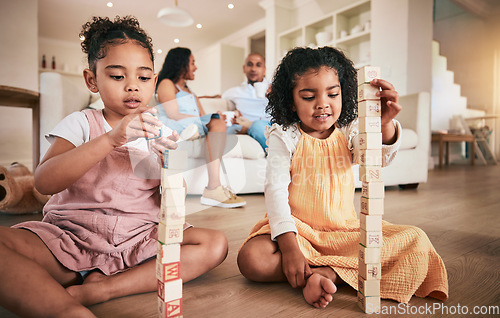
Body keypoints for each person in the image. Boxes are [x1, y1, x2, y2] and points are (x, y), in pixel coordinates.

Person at [0, 16, 228, 318]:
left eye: (144, 78)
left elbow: (175, 206)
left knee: (215, 244)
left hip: (138, 241)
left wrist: (168, 168)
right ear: (92, 80)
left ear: (154, 82)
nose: (133, 86)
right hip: (70, 239)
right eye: (118, 77)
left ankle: (106, 287)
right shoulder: (81, 122)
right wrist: (110, 140)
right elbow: (43, 182)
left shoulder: (161, 131)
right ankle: (65, 309)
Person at [237, 47, 449, 308]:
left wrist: (383, 124)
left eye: (333, 94)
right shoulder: (284, 136)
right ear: (291, 101)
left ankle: (326, 274)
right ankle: (334, 271)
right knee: (251, 258)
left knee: (416, 239)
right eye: (308, 96)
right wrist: (290, 248)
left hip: (344, 232)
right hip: (299, 232)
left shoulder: (348, 131)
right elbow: (276, 191)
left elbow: (378, 159)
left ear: (344, 94)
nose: (322, 103)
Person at [156, 47, 246, 208]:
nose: (195, 67)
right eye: (192, 62)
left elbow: (203, 114)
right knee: (215, 121)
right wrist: (208, 119)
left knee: (232, 125)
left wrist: (216, 116)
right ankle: (213, 188)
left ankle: (196, 133)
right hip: (176, 122)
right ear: (181, 63)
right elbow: (173, 114)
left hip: (194, 123)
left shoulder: (190, 91)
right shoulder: (166, 84)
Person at [222, 53, 271, 151]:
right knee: (219, 128)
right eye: (250, 64)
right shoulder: (235, 91)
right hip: (245, 125)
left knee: (257, 125)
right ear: (244, 68)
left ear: (264, 70)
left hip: (268, 124)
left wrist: (275, 95)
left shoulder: (273, 87)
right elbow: (218, 97)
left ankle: (278, 156)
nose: (253, 69)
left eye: (258, 65)